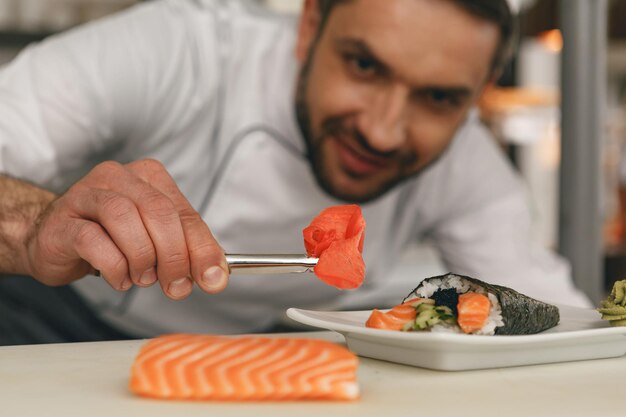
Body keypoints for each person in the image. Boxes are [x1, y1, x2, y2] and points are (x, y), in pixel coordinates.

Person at [0, 0, 590, 345]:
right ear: (310, 26)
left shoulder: (466, 162)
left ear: (477, 96)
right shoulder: (181, 47)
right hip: (55, 316)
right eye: (363, 65)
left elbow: (566, 323)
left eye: (438, 99)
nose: (384, 130)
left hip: (260, 348)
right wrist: (33, 228)